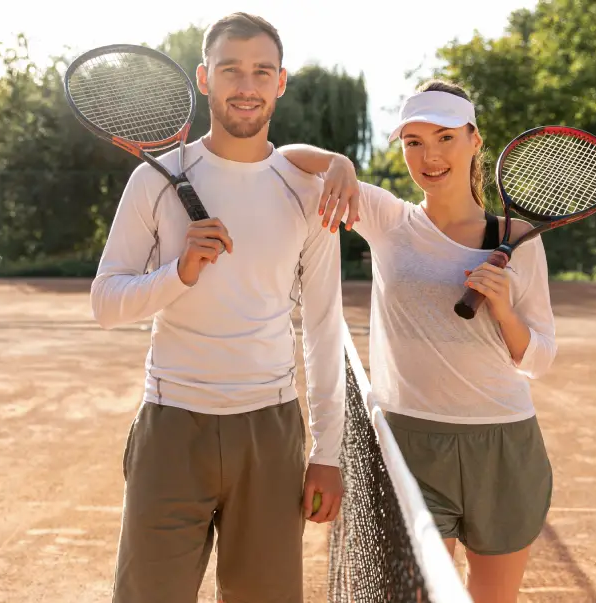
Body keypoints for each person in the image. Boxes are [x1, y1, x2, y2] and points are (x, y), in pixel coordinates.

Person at [91, 12, 346, 603]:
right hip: (171, 426)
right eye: (231, 70)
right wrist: (178, 273)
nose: (246, 86)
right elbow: (106, 303)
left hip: (270, 430)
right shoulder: (154, 180)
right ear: (205, 79)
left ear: (281, 82)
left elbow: (325, 327)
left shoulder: (309, 191)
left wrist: (328, 452)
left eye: (261, 71)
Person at [280, 79, 557, 603]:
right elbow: (285, 161)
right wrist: (338, 161)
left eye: (445, 137)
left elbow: (539, 357)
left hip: (504, 446)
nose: (429, 155)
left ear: (475, 141)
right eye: (413, 142)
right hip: (409, 445)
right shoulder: (388, 220)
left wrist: (502, 309)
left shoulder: (519, 238)